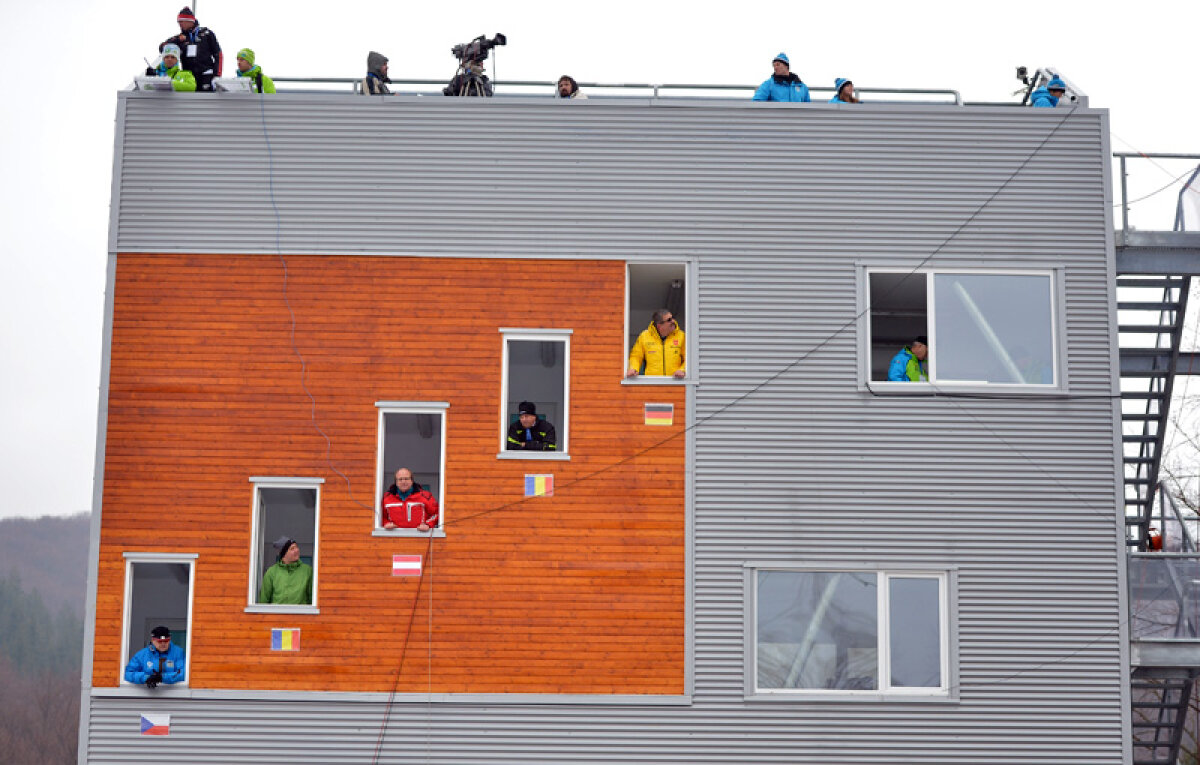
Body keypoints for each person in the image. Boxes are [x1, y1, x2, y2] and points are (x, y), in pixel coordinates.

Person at [159, 6, 221, 92]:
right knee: (189, 103)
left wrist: (217, 75)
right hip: (188, 76)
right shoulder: (180, 38)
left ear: (190, 21)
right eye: (178, 22)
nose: (179, 24)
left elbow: (218, 54)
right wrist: (177, 40)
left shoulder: (206, 34)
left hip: (206, 75)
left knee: (206, 101)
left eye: (181, 21)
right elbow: (162, 48)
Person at [626, 309, 686, 379]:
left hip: (675, 382)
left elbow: (689, 358)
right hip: (652, 383)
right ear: (659, 325)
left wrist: (682, 370)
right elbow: (636, 356)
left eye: (672, 318)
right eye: (669, 320)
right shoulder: (644, 336)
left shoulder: (681, 336)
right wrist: (634, 368)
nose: (673, 321)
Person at [258, 537, 313, 604]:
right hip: (276, 613)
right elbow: (263, 600)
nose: (297, 550)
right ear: (284, 554)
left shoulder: (307, 571)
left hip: (300, 614)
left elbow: (312, 599)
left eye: (296, 547)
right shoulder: (272, 572)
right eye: (292, 549)